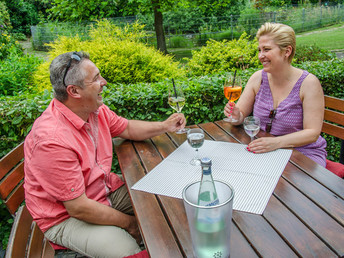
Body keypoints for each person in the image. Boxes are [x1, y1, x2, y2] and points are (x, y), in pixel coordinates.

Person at [24, 51, 186, 257]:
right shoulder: (52, 140)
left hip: (100, 190)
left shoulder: (92, 109)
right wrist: (130, 223)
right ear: (74, 91)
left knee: (166, 199)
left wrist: (165, 126)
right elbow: (78, 208)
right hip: (65, 216)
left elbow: (126, 128)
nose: (104, 82)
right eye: (96, 78)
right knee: (129, 251)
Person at [224, 22, 327, 167]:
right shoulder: (258, 78)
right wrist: (235, 115)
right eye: (259, 50)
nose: (260, 56)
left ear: (287, 51)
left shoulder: (308, 83)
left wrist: (276, 143)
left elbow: (312, 133)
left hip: (303, 154)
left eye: (266, 49)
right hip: (267, 149)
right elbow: (239, 116)